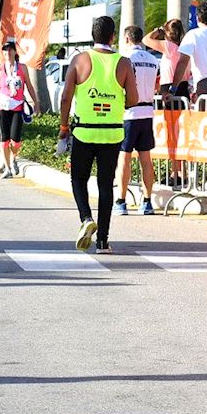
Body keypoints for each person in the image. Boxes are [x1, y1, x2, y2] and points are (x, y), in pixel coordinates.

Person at [59, 15, 138, 254]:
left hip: (84, 131)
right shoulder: (123, 63)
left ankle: (85, 218)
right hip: (112, 133)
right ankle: (103, 241)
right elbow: (133, 99)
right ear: (113, 36)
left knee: (78, 179)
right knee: (106, 185)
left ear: (92, 35)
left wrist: (63, 128)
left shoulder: (80, 60)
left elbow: (65, 98)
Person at [114, 26, 161, 215]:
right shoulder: (152, 59)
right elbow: (157, 84)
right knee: (146, 158)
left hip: (129, 113)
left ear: (126, 39)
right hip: (148, 111)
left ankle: (121, 201)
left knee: (124, 157)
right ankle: (147, 201)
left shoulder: (125, 59)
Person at [0, 37, 38, 179]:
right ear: (3, 54)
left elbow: (29, 85)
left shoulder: (22, 68)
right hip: (2, 106)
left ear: (14, 52)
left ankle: (13, 158)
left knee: (15, 139)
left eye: (10, 50)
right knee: (4, 138)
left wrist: (36, 102)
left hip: (17, 106)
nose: (7, 53)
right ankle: (7, 167)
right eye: (5, 51)